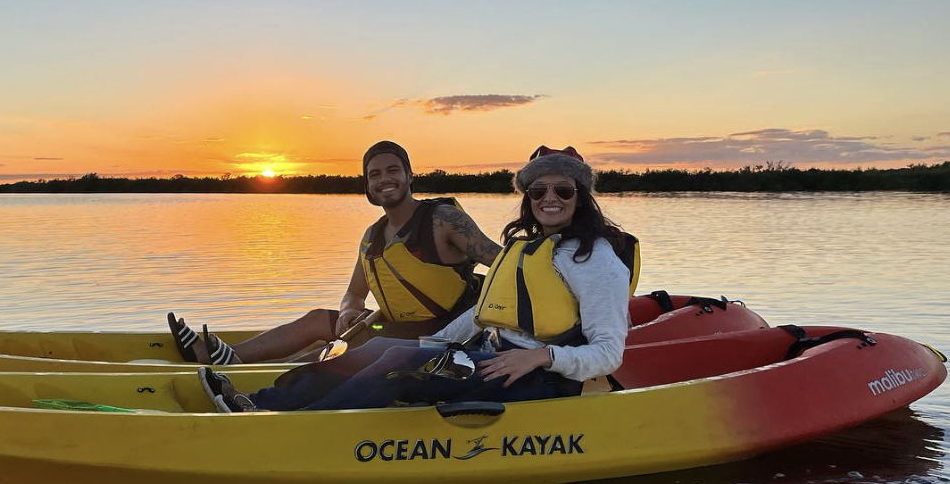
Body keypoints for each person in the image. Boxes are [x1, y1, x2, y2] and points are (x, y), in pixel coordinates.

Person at [200, 145, 640, 412]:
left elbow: (608, 354)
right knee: (380, 348)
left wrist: (542, 358)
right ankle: (260, 404)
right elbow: (483, 317)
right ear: (528, 198)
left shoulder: (595, 259)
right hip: (489, 357)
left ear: (581, 198)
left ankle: (311, 423)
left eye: (564, 191)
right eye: (538, 191)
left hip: (536, 379)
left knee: (398, 364)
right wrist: (429, 343)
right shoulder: (525, 249)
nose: (550, 199)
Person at [169, 140, 504, 364]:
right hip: (390, 327)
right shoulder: (373, 237)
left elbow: (504, 263)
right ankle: (226, 357)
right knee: (319, 320)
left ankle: (253, 377)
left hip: (440, 334)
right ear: (367, 185)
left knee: (343, 349)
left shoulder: (443, 220)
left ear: (409, 176)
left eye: (392, 171)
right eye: (374, 174)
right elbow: (353, 294)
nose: (384, 180)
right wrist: (349, 310)